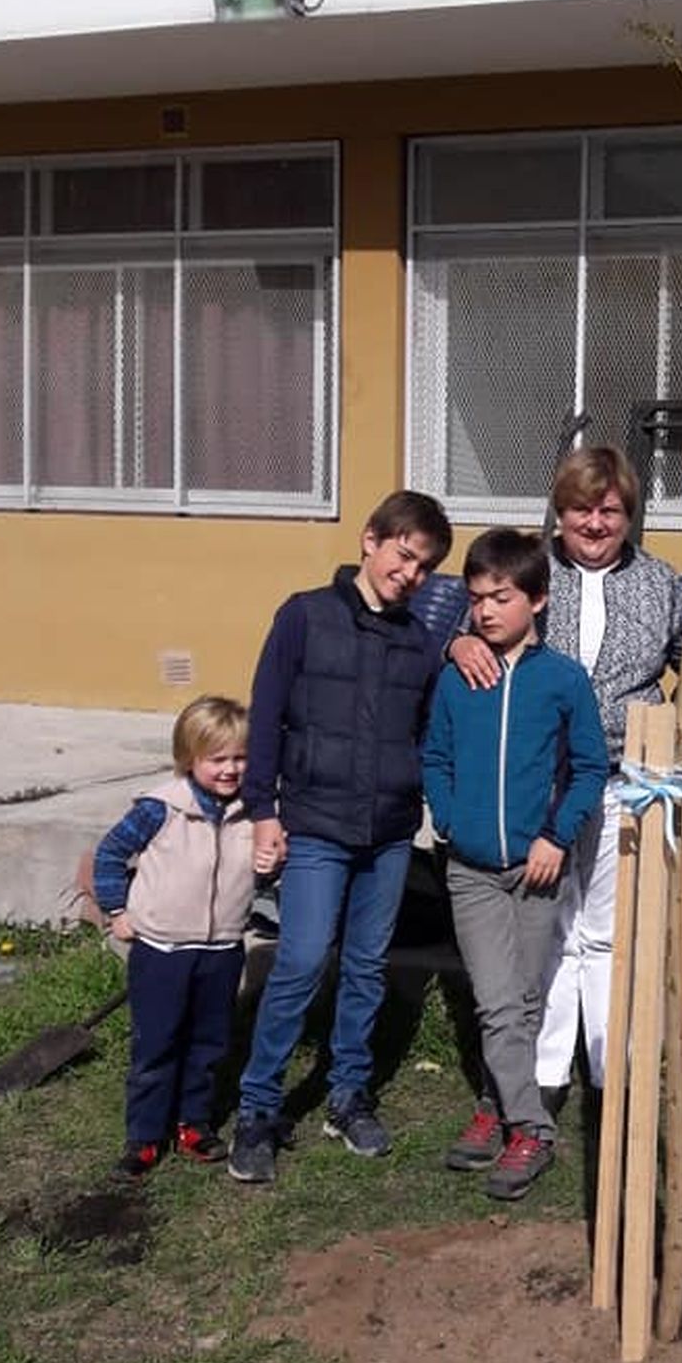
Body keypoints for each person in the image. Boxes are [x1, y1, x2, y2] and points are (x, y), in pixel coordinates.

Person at [448, 446, 682, 1103]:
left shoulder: (661, 583)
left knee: (608, 927)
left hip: (622, 776)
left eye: (609, 510)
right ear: (561, 512)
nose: (595, 523)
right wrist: (457, 638)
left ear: (628, 515)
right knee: (550, 923)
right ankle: (546, 1068)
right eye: (581, 509)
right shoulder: (529, 570)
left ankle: (610, 1066)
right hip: (538, 777)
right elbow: (454, 609)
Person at [229, 488, 453, 1185]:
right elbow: (264, 718)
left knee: (365, 968)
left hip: (387, 832)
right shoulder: (304, 618)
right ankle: (259, 1108)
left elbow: (423, 731)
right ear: (370, 540)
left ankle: (348, 1094)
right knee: (297, 961)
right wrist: (263, 811)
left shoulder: (420, 642)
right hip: (316, 826)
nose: (409, 574)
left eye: (423, 567)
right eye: (403, 555)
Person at [422, 529, 608, 1198]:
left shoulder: (563, 679)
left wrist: (557, 836)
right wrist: (446, 818)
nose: (486, 612)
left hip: (538, 869)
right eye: (476, 600)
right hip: (471, 870)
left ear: (538, 598)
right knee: (499, 1001)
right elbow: (435, 758)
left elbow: (589, 767)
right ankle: (533, 1130)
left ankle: (496, 1105)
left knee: (523, 1002)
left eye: (500, 597)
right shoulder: (458, 675)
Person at [91, 695, 253, 1179]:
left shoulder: (255, 811)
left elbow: (253, 871)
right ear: (189, 759)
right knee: (156, 1044)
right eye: (217, 759)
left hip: (222, 948)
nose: (229, 770)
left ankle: (193, 1124)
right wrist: (117, 910)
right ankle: (143, 1136)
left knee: (209, 1043)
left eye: (240, 758)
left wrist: (270, 866)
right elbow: (109, 854)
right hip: (161, 950)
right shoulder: (161, 808)